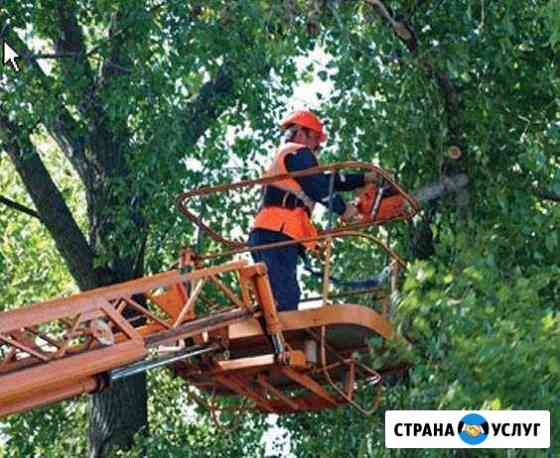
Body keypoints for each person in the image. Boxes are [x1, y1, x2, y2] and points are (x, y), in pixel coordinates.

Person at [247, 110, 380, 312]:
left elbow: (327, 181)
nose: (317, 147)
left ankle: (277, 337)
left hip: (273, 233)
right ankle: (279, 341)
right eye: (316, 139)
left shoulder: (290, 158)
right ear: (302, 133)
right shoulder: (297, 152)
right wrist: (344, 209)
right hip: (276, 232)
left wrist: (364, 179)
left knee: (281, 295)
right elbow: (317, 187)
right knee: (285, 299)